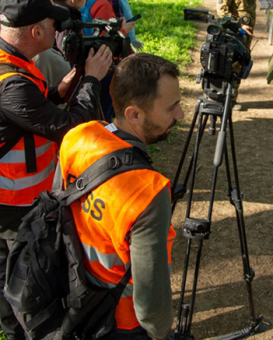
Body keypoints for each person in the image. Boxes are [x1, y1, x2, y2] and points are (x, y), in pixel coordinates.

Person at [0, 0, 113, 340]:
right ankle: (27, 329)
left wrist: (60, 90)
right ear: (36, 32)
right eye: (53, 25)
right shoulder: (11, 86)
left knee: (3, 262)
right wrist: (92, 78)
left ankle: (12, 328)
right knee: (27, 271)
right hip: (12, 200)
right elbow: (71, 129)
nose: (58, 32)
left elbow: (21, 113)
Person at [59, 53, 183, 340]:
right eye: (172, 107)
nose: (180, 115)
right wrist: (161, 333)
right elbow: (151, 304)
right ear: (134, 114)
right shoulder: (147, 192)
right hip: (122, 322)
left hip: (73, 294)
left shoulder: (77, 137)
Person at [86, 0, 136, 120]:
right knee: (104, 111)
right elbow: (104, 39)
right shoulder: (103, 4)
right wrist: (124, 30)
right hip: (103, 64)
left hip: (89, 60)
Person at [215, 0, 257, 111]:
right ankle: (220, 98)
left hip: (245, 36)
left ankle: (231, 99)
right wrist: (238, 27)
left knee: (241, 64)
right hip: (232, 34)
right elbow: (222, 12)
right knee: (228, 65)